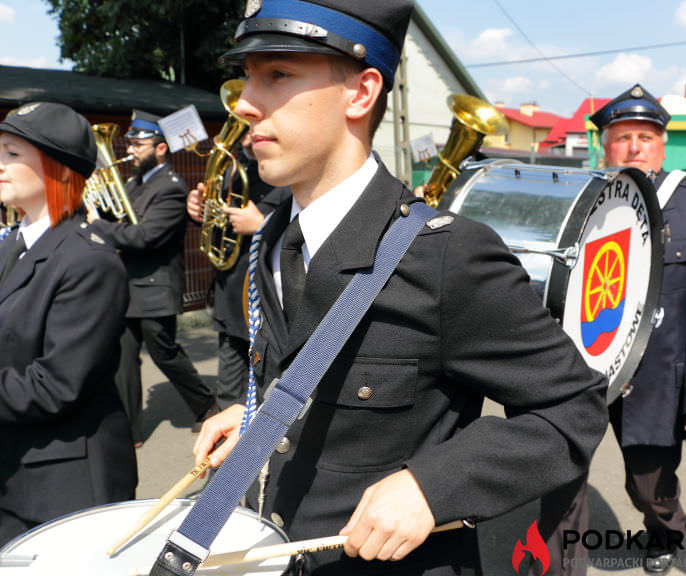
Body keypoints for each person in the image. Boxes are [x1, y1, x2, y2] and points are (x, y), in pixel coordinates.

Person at [193, 1, 608, 574]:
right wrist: (259, 417)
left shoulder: (446, 253)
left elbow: (572, 408)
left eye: (278, 75)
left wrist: (430, 487)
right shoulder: (279, 239)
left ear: (361, 94)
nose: (242, 102)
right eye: (247, 77)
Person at [589, 85, 686, 573]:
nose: (634, 146)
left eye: (646, 136)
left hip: (652, 378)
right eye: (623, 136)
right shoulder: (579, 198)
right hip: (579, 370)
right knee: (559, 484)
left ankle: (664, 533)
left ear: (662, 144)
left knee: (649, 486)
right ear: (603, 145)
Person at [0, 102, 137, 545]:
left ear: (58, 168)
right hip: (15, 468)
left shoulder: (89, 260)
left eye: (11, 154)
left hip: (61, 486)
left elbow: (54, 385)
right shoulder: (12, 246)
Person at [88, 110, 216, 446]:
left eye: (138, 143)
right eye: (129, 142)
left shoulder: (171, 188)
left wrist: (98, 224)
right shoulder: (132, 182)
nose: (131, 149)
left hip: (155, 286)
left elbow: (144, 237)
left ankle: (207, 406)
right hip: (128, 285)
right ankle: (129, 431)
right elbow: (119, 221)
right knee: (124, 358)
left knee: (165, 353)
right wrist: (96, 205)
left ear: (161, 148)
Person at [187, 132, 291, 408]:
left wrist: (262, 225)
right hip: (230, 290)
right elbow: (216, 221)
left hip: (266, 296)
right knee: (229, 386)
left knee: (267, 384)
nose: (248, 132)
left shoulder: (289, 171)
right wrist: (199, 210)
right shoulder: (232, 170)